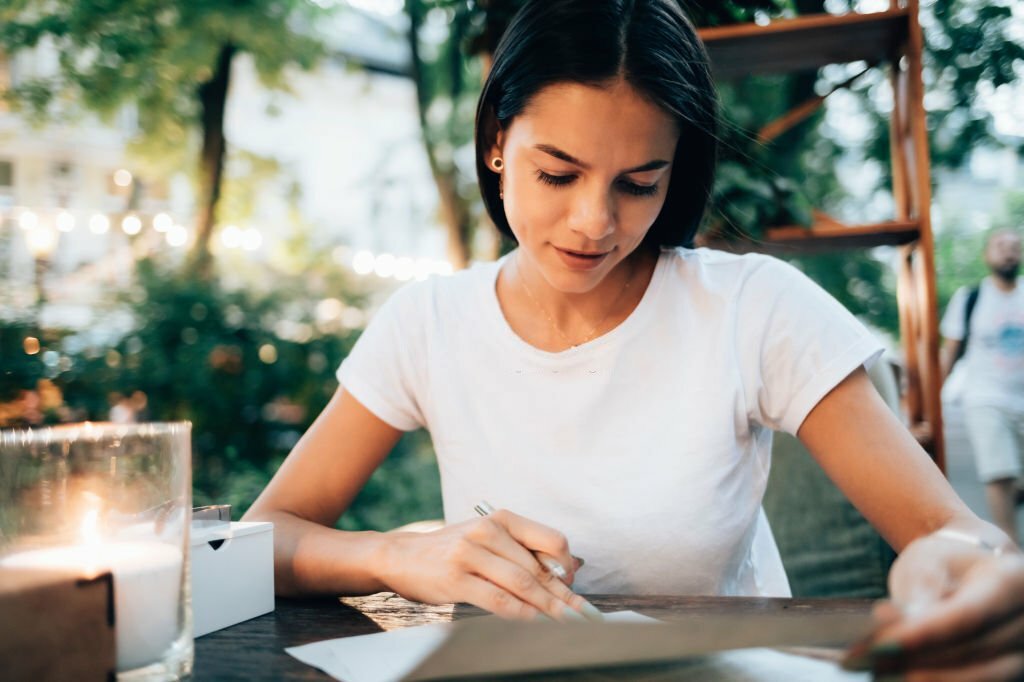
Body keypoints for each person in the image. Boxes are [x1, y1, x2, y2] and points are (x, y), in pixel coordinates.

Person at [245, 1, 1024, 677]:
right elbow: (261, 539)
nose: (595, 223)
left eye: (638, 183)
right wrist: (397, 555)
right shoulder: (429, 322)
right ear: (495, 144)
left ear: (675, 172)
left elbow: (953, 533)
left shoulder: (753, 308)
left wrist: (967, 571)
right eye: (557, 175)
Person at [941, 229, 1024, 542]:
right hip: (985, 398)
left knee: (1011, 476)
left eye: (1015, 247)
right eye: (1001, 246)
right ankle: (1011, 554)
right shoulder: (970, 298)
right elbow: (951, 350)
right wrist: (935, 393)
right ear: (987, 255)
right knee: (999, 472)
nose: (1009, 252)